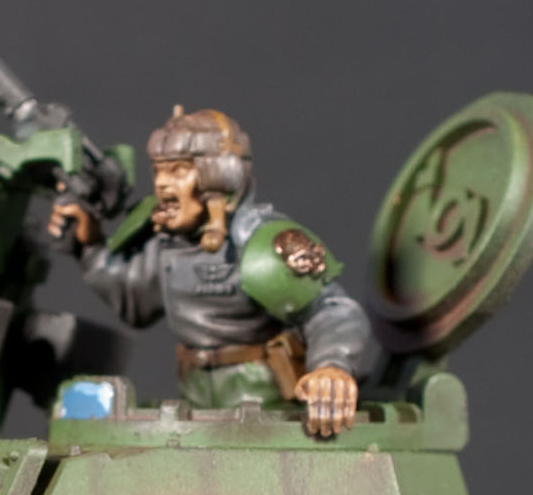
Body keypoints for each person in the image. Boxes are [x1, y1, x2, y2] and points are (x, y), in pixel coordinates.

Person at [48, 107, 378, 438]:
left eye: (179, 170)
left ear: (217, 175)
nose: (162, 183)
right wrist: (89, 247)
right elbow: (135, 301)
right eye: (159, 170)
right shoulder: (169, 243)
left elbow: (332, 310)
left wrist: (331, 367)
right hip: (194, 399)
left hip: (262, 403)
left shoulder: (258, 242)